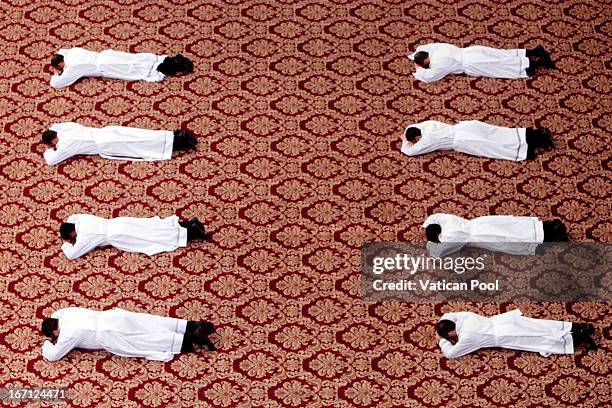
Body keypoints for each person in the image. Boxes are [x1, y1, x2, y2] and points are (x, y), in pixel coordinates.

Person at [41, 307, 216, 362]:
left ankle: (192, 339)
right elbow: (58, 312)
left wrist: (48, 342)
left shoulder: (66, 335)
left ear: (56, 331)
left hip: (109, 335)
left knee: (147, 341)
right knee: (151, 322)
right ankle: (193, 326)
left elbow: (53, 355)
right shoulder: (67, 313)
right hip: (113, 316)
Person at [436, 309, 597, 359]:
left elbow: (451, 354)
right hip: (506, 321)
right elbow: (449, 315)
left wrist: (442, 341)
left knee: (541, 340)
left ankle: (579, 337)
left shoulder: (467, 338)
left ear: (451, 332)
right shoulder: (466, 317)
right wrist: (442, 324)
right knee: (540, 326)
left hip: (506, 335)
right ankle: (580, 327)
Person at [59, 214, 207, 259]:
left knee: (152, 238)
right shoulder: (81, 219)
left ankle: (191, 233)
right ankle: (187, 224)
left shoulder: (84, 237)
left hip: (118, 235)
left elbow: (72, 254)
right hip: (119, 222)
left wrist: (65, 244)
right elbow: (72, 217)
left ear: (72, 233)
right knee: (152, 226)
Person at [42, 122, 197, 165]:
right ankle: (174, 135)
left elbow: (51, 160)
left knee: (139, 147)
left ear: (54, 141)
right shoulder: (67, 128)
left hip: (106, 144)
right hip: (107, 131)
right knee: (140, 134)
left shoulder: (65, 145)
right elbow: (55, 125)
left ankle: (178, 143)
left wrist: (51, 149)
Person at [423, 213, 569, 257]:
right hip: (481, 222)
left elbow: (438, 253)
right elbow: (433, 217)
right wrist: (426, 226)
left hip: (483, 237)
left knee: (514, 239)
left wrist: (430, 243)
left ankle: (552, 237)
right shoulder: (447, 221)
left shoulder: (449, 238)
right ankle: (551, 226)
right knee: (515, 226)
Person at [401, 120, 553, 161]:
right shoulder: (428, 125)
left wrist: (407, 142)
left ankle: (535, 143)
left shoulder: (428, 139)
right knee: (499, 133)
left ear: (417, 138)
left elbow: (409, 151)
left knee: (495, 147)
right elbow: (412, 126)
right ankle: (537, 135)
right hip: (465, 127)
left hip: (463, 140)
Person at [49, 48, 194, 88]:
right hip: (107, 55)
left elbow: (56, 83)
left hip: (106, 66)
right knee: (135, 59)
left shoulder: (72, 67)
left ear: (60, 64)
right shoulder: (73, 51)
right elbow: (63, 50)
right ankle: (172, 61)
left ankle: (172, 66)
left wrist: (57, 73)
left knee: (137, 70)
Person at [408, 43, 554, 83]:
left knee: (502, 66)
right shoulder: (436, 48)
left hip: (472, 63)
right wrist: (414, 56)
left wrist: (418, 68)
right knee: (502, 54)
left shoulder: (439, 63)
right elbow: (422, 48)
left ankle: (540, 63)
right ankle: (535, 52)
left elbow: (429, 77)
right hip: (472, 51)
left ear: (426, 61)